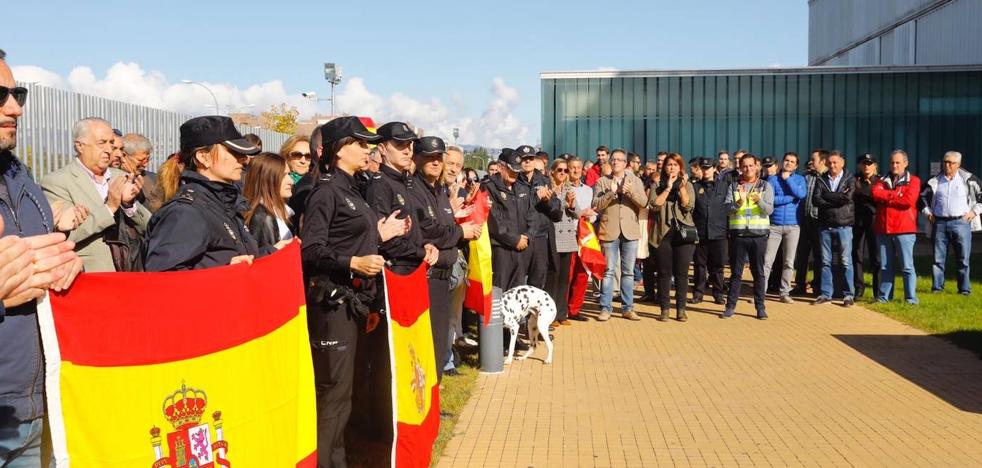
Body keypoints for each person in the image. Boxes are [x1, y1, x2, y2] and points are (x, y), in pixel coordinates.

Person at [300, 116, 408, 467]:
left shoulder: (352, 187)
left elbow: (357, 238)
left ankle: (338, 460)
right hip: (331, 306)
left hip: (355, 304)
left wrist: (370, 298)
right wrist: (352, 263)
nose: (368, 150)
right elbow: (311, 250)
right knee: (333, 395)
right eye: (360, 144)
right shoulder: (326, 191)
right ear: (339, 148)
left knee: (345, 395)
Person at [0, 49, 84, 465]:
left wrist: (69, 262)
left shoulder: (22, 177)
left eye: (18, 94)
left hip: (35, 407)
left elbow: (50, 254)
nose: (14, 107)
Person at [144, 116, 281, 271]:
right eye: (233, 152)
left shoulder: (224, 204)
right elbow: (164, 280)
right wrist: (224, 274)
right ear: (203, 157)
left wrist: (273, 252)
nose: (243, 159)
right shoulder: (186, 212)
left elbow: (236, 258)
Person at [41, 117, 151, 272]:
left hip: (131, 275)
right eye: (102, 143)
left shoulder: (120, 176)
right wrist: (110, 207)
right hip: (91, 279)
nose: (108, 149)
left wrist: (129, 205)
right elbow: (67, 235)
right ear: (80, 146)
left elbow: (149, 226)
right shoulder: (57, 182)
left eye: (111, 143)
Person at [592, 149, 647, 321]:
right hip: (609, 231)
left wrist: (628, 191)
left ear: (625, 163)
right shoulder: (602, 181)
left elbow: (644, 203)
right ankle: (605, 308)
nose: (615, 162)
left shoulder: (635, 180)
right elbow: (596, 205)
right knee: (608, 271)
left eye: (619, 160)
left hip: (630, 231)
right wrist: (613, 192)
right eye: (613, 160)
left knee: (628, 272)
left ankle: (627, 308)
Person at [921, 150, 982, 295]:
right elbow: (921, 198)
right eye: (945, 162)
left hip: (961, 223)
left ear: (958, 164)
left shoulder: (968, 179)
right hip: (940, 224)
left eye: (951, 163)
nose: (947, 165)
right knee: (938, 259)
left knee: (963, 259)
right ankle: (937, 288)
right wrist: (928, 214)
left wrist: (973, 212)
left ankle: (964, 290)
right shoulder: (934, 180)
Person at [722, 153, 774, 320]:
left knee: (758, 272)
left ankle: (760, 307)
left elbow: (769, 210)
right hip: (739, 234)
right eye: (744, 166)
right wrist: (738, 203)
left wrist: (759, 201)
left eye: (751, 165)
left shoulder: (765, 186)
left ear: (756, 166)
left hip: (758, 235)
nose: (748, 169)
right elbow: (727, 210)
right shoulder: (734, 186)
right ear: (740, 168)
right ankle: (730, 306)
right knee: (736, 272)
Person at [648, 153, 696, 321]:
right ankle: (665, 309)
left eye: (676, 165)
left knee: (682, 273)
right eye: (669, 164)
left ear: (680, 168)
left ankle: (681, 309)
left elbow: (688, 205)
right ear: (664, 167)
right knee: (663, 273)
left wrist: (681, 186)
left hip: (683, 235)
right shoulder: (657, 185)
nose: (672, 167)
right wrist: (668, 188)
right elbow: (654, 205)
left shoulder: (688, 185)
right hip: (662, 235)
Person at [871, 150, 921, 304]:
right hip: (884, 229)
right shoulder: (881, 180)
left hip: (904, 230)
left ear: (906, 164)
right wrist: (895, 196)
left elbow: (908, 201)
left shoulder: (914, 180)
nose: (894, 165)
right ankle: (884, 297)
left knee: (907, 266)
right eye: (892, 162)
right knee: (886, 266)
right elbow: (875, 194)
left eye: (898, 162)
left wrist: (886, 197)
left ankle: (911, 299)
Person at [485, 148, 535, 290]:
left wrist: (527, 236)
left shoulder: (522, 188)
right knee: (498, 291)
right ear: (501, 167)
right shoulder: (489, 187)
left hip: (522, 248)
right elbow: (493, 220)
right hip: (501, 250)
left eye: (517, 170)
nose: (515, 173)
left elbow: (532, 215)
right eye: (512, 169)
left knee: (517, 293)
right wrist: (514, 240)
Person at [762, 152, 807, 303]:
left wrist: (788, 180)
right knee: (767, 261)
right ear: (782, 162)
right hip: (774, 225)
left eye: (792, 161)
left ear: (796, 165)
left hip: (793, 226)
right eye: (786, 160)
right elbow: (770, 200)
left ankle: (784, 292)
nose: (788, 163)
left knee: (788, 262)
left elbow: (801, 194)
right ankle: (760, 292)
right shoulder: (772, 179)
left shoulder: (800, 179)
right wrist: (789, 198)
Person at [812, 150, 856, 307]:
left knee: (845, 261)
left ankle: (848, 295)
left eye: (835, 162)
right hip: (825, 225)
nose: (832, 165)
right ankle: (826, 294)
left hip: (844, 225)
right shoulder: (821, 179)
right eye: (829, 163)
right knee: (825, 261)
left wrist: (828, 196)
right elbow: (816, 200)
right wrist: (836, 197)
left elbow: (847, 198)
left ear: (842, 163)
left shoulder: (850, 178)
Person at [516, 144, 561, 289]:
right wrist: (536, 197)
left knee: (538, 280)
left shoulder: (544, 180)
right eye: (524, 159)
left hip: (540, 238)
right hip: (521, 237)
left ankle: (532, 312)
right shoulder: (514, 180)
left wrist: (547, 201)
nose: (527, 162)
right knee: (518, 281)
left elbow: (556, 213)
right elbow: (517, 209)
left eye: (530, 158)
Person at [545, 158, 579, 325]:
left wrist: (572, 205)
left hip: (568, 238)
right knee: (553, 277)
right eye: (560, 170)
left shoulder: (569, 188)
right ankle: (551, 315)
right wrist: (561, 203)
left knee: (565, 278)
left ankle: (561, 314)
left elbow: (577, 213)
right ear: (552, 171)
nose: (563, 173)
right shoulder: (548, 189)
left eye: (566, 171)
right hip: (553, 238)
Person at [692, 157, 728, 305]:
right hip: (700, 232)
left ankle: (718, 293)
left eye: (708, 168)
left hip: (719, 232)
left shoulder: (724, 186)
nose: (706, 171)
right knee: (700, 265)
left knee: (717, 266)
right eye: (703, 168)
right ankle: (698, 293)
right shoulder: (694, 187)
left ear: (714, 169)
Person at [792, 149, 828, 296]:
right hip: (805, 220)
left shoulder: (828, 178)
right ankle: (800, 284)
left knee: (820, 255)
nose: (811, 162)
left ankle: (818, 286)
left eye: (814, 160)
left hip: (820, 222)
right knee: (802, 255)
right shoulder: (806, 177)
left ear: (822, 161)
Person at [565, 156, 596, 321]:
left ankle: (575, 309)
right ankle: (563, 309)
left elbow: (592, 211)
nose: (576, 170)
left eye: (578, 167)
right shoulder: (564, 188)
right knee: (568, 274)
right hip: (569, 234)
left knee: (582, 273)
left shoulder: (588, 190)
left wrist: (592, 216)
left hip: (585, 236)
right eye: (572, 168)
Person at [244, 152, 295, 252]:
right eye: (283, 175)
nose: (291, 181)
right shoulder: (264, 217)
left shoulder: (278, 211)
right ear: (267, 179)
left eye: (289, 174)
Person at [852, 153, 880, 299]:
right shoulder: (855, 179)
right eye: (864, 163)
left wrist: (867, 193)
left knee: (876, 257)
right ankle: (858, 288)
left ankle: (877, 291)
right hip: (858, 221)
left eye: (870, 163)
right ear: (859, 166)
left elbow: (881, 199)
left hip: (874, 221)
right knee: (857, 255)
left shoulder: (880, 181)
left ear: (875, 165)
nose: (867, 166)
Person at [288, 124, 323, 229]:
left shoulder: (317, 181)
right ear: (286, 157)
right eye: (297, 155)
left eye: (308, 156)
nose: (303, 161)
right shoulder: (278, 186)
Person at [121, 133, 158, 208]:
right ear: (124, 156)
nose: (145, 165)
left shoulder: (154, 179)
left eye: (148, 159)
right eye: (141, 160)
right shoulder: (110, 179)